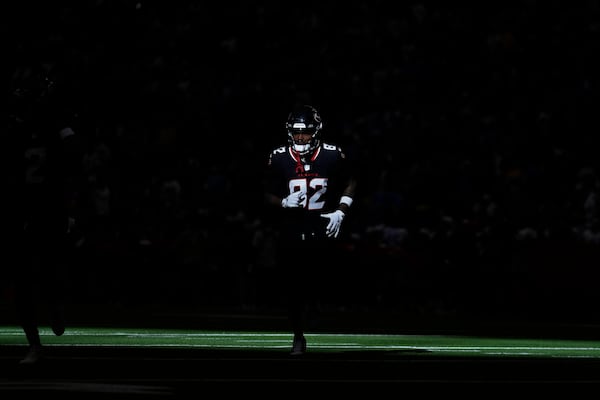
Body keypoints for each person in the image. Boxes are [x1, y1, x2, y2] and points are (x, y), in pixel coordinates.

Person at [4, 62, 84, 365]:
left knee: (43, 274)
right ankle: (36, 343)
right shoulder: (28, 125)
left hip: (44, 207)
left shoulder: (40, 123)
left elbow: (74, 151)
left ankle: (50, 314)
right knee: (24, 282)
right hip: (28, 208)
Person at [263, 104, 357, 355]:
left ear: (316, 131)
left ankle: (316, 306)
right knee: (292, 286)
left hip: (321, 226)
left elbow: (350, 182)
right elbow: (265, 193)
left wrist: (341, 210)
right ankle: (298, 335)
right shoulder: (279, 156)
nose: (300, 137)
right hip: (292, 227)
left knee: (320, 278)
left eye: (305, 132)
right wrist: (282, 201)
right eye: (296, 132)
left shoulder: (332, 154)